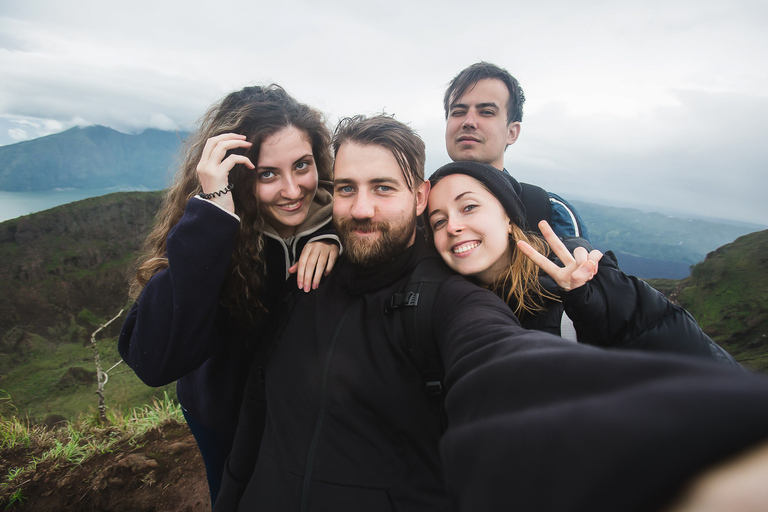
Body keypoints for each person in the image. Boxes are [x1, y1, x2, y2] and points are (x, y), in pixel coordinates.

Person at [215, 113, 768, 512]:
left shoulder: (447, 297)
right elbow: (256, 422)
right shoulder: (305, 281)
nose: (361, 209)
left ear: (417, 195)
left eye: (383, 188)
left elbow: (504, 365)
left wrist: (688, 449)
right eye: (346, 189)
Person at [118, 84, 339, 504]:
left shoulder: (342, 221)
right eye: (267, 174)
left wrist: (333, 237)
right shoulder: (211, 233)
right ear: (235, 176)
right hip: (223, 416)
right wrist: (214, 214)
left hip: (307, 417)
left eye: (302, 165)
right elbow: (154, 360)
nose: (293, 190)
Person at [426, 160, 738, 363]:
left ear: (508, 216)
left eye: (468, 207)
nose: (452, 226)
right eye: (438, 221)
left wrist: (594, 303)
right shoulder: (445, 307)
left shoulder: (588, 279)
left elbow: (703, 367)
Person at [443, 61, 590, 240]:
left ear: (512, 132)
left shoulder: (547, 212)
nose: (469, 122)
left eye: (487, 112)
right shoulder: (418, 207)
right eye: (458, 112)